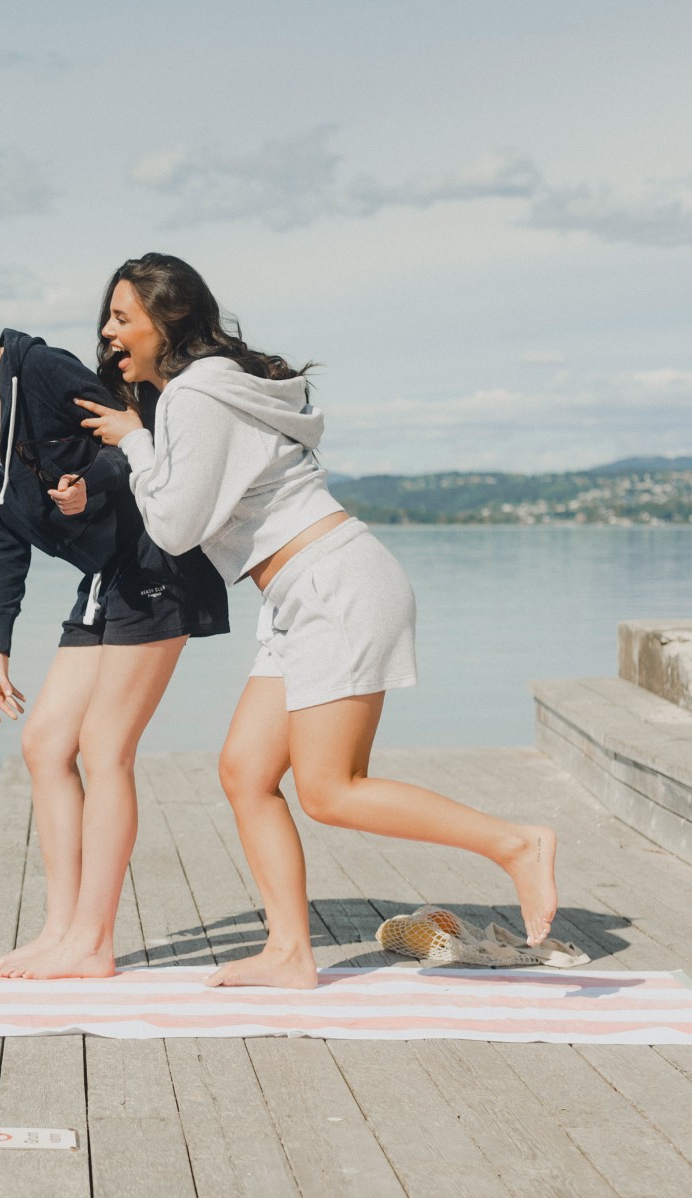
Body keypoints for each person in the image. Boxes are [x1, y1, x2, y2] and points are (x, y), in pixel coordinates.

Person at [72, 252, 559, 989]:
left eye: (121, 317)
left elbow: (174, 528)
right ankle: (290, 953)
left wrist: (134, 440)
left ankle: (518, 844)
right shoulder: (215, 388)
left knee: (331, 790)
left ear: (166, 319)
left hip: (333, 585)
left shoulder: (194, 397)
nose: (109, 334)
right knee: (245, 771)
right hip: (301, 594)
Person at [0, 262, 228, 977]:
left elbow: (144, 438)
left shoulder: (40, 370)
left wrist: (86, 485)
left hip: (157, 564)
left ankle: (93, 944)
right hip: (103, 577)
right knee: (45, 746)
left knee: (103, 746)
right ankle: (62, 932)